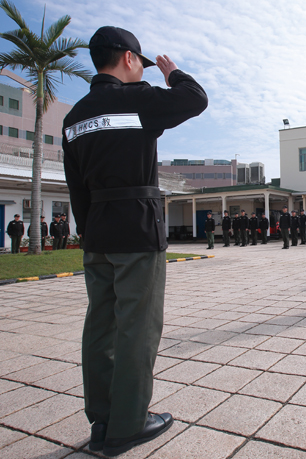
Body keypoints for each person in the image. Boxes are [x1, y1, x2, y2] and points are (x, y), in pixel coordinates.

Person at [63, 26, 207, 456]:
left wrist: (87, 230)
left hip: (98, 233)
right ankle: (128, 424)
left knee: (100, 326)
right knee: (137, 328)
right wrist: (175, 73)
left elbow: (75, 187)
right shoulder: (138, 99)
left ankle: (103, 420)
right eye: (139, 62)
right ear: (128, 58)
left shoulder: (75, 117)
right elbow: (195, 99)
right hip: (136, 230)